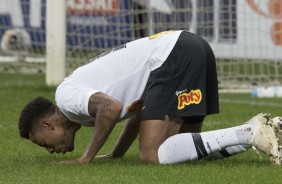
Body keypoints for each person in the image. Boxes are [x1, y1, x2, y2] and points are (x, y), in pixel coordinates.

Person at [18, 30, 282, 165]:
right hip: (191, 46)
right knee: (182, 151)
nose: (51, 150)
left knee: (150, 155)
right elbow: (137, 114)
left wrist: (85, 158)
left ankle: (250, 132)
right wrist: (115, 155)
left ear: (47, 125)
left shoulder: (66, 97)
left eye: (45, 144)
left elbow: (111, 108)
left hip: (172, 54)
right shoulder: (82, 106)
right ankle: (268, 134)